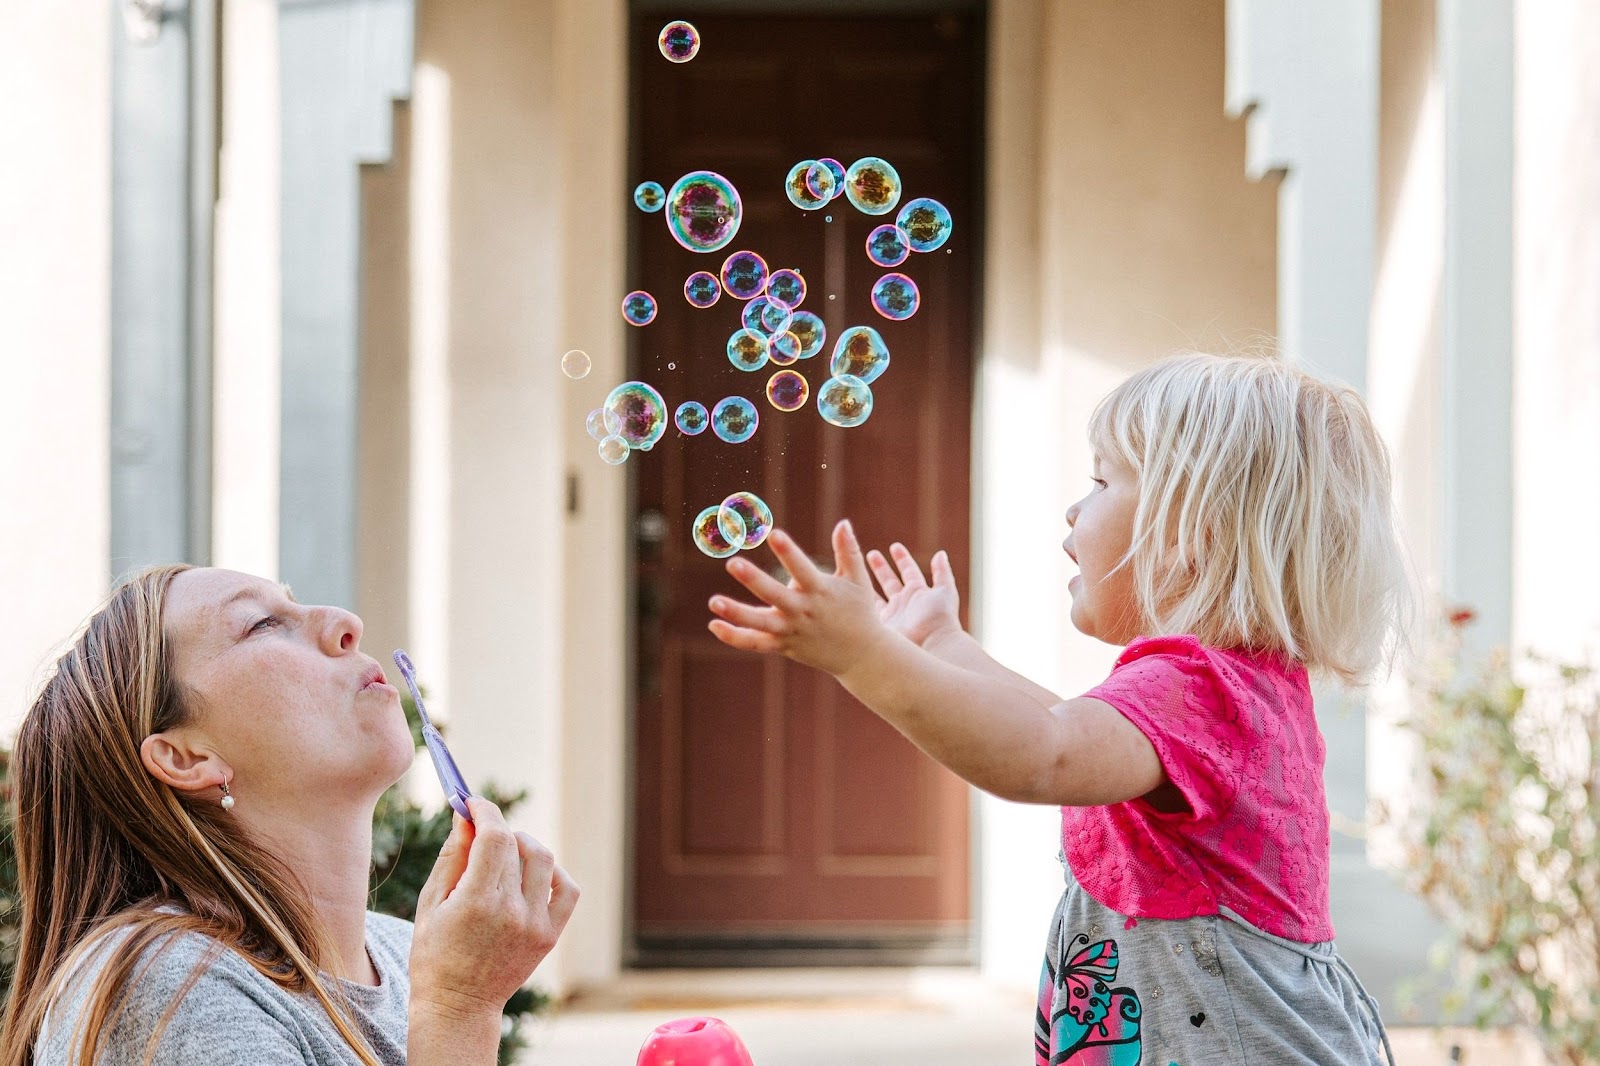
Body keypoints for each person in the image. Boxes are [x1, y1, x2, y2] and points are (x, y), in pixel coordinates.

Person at [707, 352, 1412, 1066]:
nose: (1075, 508)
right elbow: (1063, 728)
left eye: (1102, 480)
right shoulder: (1229, 690)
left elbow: (1043, 753)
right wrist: (942, 645)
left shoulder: (1198, 689)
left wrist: (866, 657)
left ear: (1190, 527)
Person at [0, 565, 579, 1066]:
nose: (345, 622)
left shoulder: (405, 953)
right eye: (261, 623)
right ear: (186, 756)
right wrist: (460, 1008)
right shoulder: (162, 986)